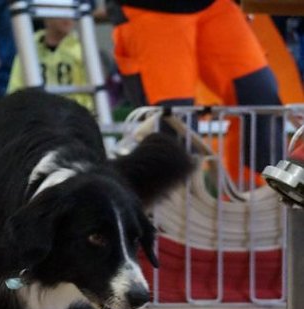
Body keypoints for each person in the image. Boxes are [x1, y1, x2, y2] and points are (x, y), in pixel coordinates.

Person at [107, 0, 283, 178]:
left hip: (214, 6)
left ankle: (254, 189)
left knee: (259, 97)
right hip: (150, 11)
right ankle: (178, 193)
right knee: (175, 122)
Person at [6, 17, 93, 111]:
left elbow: (91, 101)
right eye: (59, 9)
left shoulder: (83, 49)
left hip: (74, 116)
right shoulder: (28, 48)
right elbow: (15, 90)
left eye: (70, 10)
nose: (66, 16)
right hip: (37, 115)